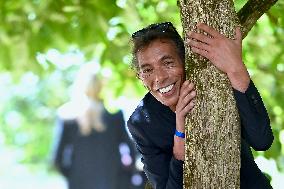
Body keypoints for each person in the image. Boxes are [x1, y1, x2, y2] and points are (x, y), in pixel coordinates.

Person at [127, 21, 274, 189]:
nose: (159, 78)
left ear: (185, 61)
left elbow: (262, 140)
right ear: (140, 77)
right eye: (147, 70)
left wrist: (236, 67)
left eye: (168, 63)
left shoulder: (212, 86)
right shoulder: (142, 123)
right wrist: (180, 136)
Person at [52, 65, 139, 189]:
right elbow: (131, 149)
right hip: (113, 182)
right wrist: (125, 174)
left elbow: (57, 159)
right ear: (101, 86)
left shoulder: (67, 118)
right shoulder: (114, 116)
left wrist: (72, 175)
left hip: (78, 182)